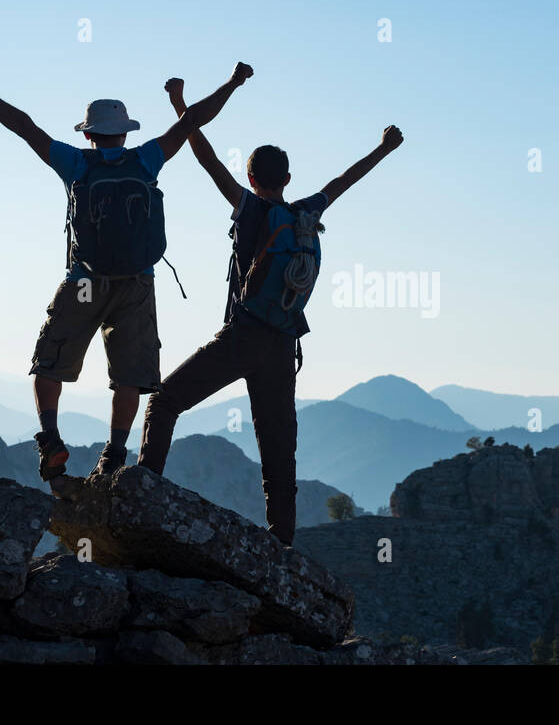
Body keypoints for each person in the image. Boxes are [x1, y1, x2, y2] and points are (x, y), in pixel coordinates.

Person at [137, 76, 403, 545]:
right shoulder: (305, 215)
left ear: (251, 177)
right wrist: (385, 149)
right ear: (288, 179)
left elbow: (205, 157)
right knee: (279, 456)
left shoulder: (248, 208)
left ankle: (138, 500)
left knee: (163, 402)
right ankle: (280, 549)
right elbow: (342, 182)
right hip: (283, 347)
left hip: (240, 339)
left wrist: (180, 103)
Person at [0, 62, 254, 480]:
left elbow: (24, 126)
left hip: (84, 279)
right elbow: (193, 120)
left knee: (49, 364)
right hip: (137, 281)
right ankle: (114, 456)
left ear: (88, 134)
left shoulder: (76, 164)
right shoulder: (147, 158)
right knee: (130, 377)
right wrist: (233, 82)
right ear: (125, 132)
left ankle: (50, 439)